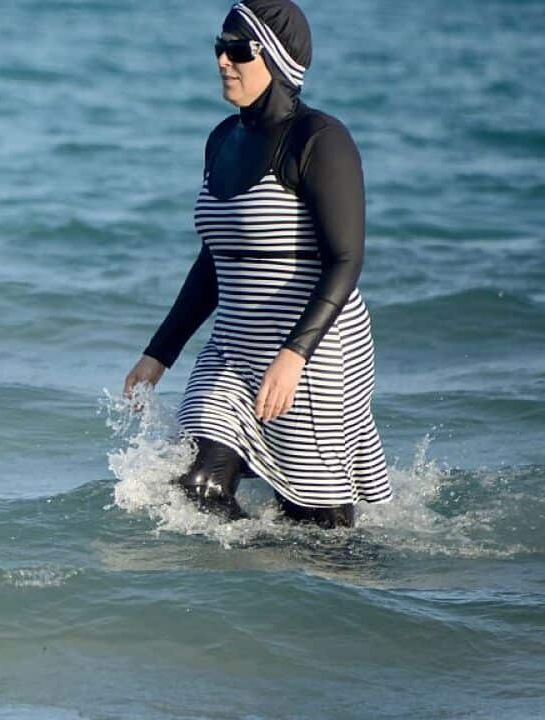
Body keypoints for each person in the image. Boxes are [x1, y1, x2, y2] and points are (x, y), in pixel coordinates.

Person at [123, 0, 391, 528]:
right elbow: (213, 262)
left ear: (277, 59)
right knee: (194, 485)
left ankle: (348, 590)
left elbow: (345, 260)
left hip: (314, 351)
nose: (224, 60)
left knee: (318, 529)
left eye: (239, 50)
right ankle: (238, 588)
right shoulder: (222, 139)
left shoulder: (320, 140)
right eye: (219, 48)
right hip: (233, 346)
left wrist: (295, 354)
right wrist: (159, 355)